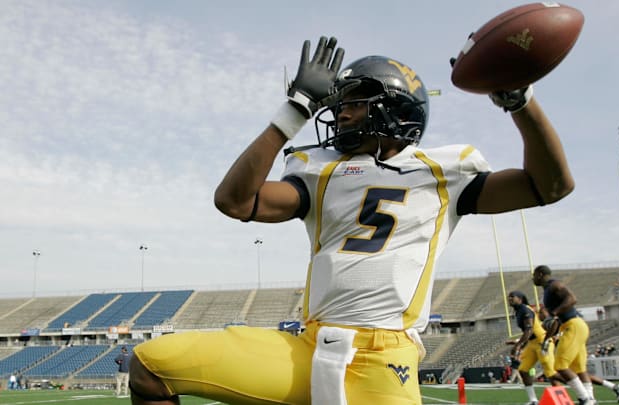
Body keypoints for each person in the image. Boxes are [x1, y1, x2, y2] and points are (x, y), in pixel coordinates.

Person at [129, 35, 574, 405]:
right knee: (150, 363)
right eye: (340, 103)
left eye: (356, 102)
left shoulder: (444, 172)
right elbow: (234, 201)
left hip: (385, 361)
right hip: (307, 348)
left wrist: (521, 100)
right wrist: (295, 109)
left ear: (395, 108)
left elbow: (550, 185)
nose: (340, 111)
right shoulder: (319, 170)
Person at [533, 265, 595, 405]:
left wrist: (554, 313)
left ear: (540, 274)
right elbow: (556, 321)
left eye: (534, 275)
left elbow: (572, 299)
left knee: (560, 365)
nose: (533, 278)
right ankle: (591, 398)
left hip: (573, 325)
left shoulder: (554, 285)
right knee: (579, 368)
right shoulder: (548, 290)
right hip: (574, 325)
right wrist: (547, 338)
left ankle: (585, 398)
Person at [508, 290, 557, 405]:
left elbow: (529, 330)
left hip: (542, 341)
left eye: (512, 297)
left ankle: (579, 388)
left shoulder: (525, 310)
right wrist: (518, 342)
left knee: (550, 373)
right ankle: (533, 400)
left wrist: (518, 345)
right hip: (532, 343)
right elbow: (528, 333)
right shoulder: (519, 311)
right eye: (509, 297)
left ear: (520, 298)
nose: (510, 299)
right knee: (523, 370)